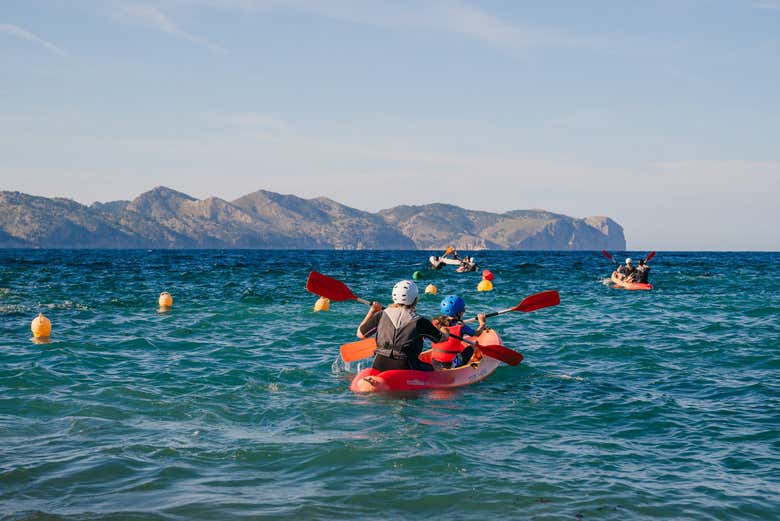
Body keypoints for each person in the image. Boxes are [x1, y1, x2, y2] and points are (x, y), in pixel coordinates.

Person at [356, 280, 449, 372]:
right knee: (436, 365)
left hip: (379, 364)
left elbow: (361, 334)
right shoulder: (420, 321)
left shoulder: (381, 314)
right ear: (415, 300)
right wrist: (445, 331)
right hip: (405, 366)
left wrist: (372, 311)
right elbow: (441, 339)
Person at [430, 295, 487, 370]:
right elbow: (477, 333)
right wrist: (482, 323)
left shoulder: (436, 323)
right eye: (463, 311)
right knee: (474, 345)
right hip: (451, 365)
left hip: (435, 363)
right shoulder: (461, 327)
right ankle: (474, 362)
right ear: (459, 313)